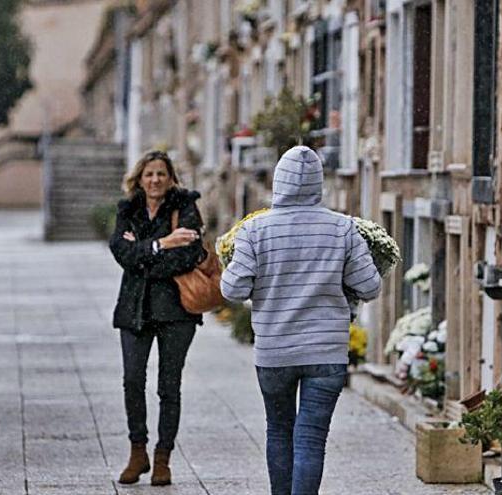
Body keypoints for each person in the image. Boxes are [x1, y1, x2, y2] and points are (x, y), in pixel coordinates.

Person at [220, 146, 381, 495]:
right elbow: (370, 286)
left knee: (278, 430)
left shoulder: (254, 231)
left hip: (275, 351)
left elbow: (232, 290)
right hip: (326, 352)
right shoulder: (343, 229)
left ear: (279, 182)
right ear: (318, 183)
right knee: (311, 439)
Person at [109, 150, 205, 486]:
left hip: (176, 311)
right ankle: (138, 451)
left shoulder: (186, 206)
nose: (155, 180)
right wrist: (163, 243)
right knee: (132, 380)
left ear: (170, 178)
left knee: (169, 385)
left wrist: (145, 255)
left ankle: (163, 457)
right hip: (134, 309)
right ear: (139, 179)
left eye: (161, 174)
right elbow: (121, 252)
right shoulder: (128, 210)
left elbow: (190, 254)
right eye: (149, 174)